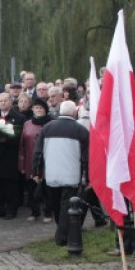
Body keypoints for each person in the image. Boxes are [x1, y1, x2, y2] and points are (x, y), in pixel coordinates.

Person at [33, 101, 88, 246]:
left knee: (57, 204)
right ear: (74, 113)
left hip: (51, 174)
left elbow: (38, 153)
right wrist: (87, 177)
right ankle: (62, 237)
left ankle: (61, 230)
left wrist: (37, 172)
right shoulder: (81, 130)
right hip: (71, 174)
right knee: (66, 205)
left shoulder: (47, 128)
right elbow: (86, 157)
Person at [20, 98, 53, 222]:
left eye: (41, 108)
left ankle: (48, 212)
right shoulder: (27, 124)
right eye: (36, 108)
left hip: (47, 160)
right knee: (31, 188)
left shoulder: (51, 123)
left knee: (48, 188)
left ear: (45, 110)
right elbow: (22, 145)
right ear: (32, 109)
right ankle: (34, 211)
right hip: (30, 160)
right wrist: (22, 164)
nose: (38, 110)